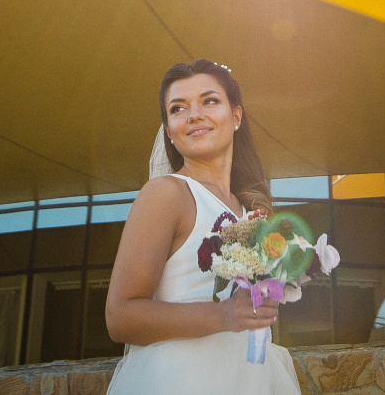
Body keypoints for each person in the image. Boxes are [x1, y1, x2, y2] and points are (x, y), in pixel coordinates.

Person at [104, 60, 301, 394]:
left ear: (236, 116)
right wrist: (223, 315)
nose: (194, 114)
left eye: (209, 101)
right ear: (168, 129)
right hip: (180, 381)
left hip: (251, 379)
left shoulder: (251, 212)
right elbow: (120, 317)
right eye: (178, 108)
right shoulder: (166, 194)